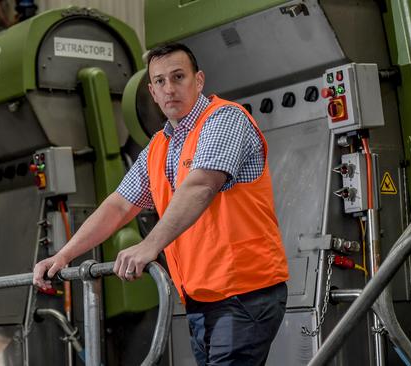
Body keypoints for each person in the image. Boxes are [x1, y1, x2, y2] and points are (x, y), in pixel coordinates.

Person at [33, 43, 289, 365]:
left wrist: (148, 246)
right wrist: (64, 255)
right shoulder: (159, 146)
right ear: (152, 92)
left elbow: (201, 186)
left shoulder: (224, 120)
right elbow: (119, 206)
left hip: (244, 293)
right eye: (160, 81)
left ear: (198, 81)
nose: (169, 89)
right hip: (201, 299)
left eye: (178, 77)